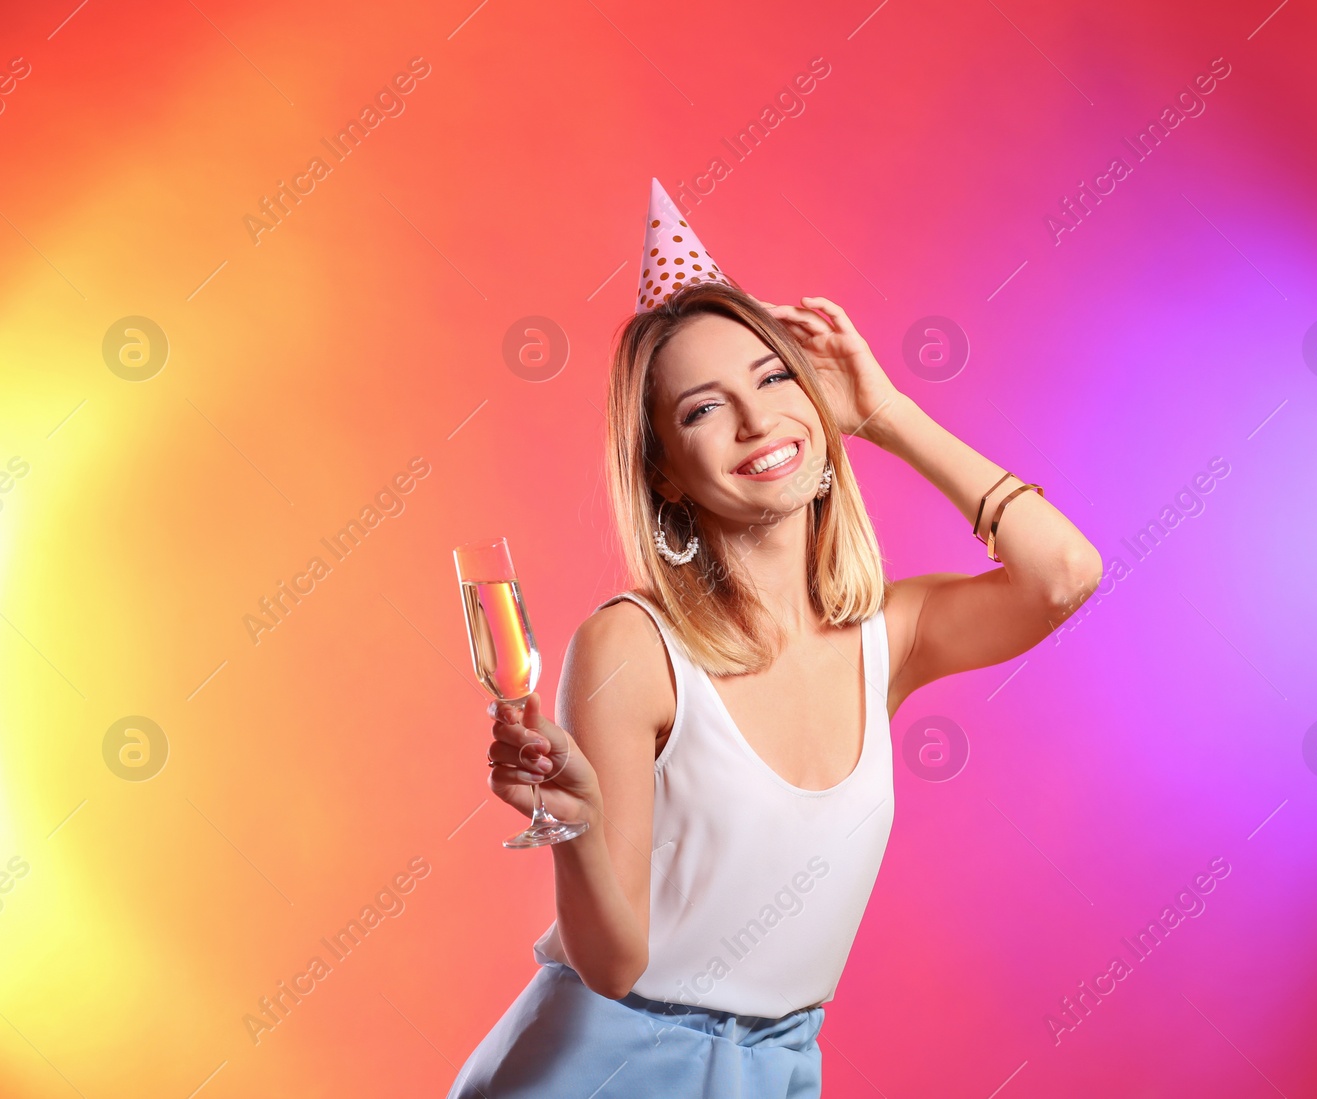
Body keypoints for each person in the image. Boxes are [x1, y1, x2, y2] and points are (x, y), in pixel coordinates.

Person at [446, 180, 1102, 1098]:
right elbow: (612, 964)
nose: (758, 421)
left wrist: (881, 415)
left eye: (774, 377)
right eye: (703, 409)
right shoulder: (633, 647)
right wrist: (578, 824)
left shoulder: (892, 638)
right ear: (666, 474)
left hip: (778, 1072)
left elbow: (1063, 573)